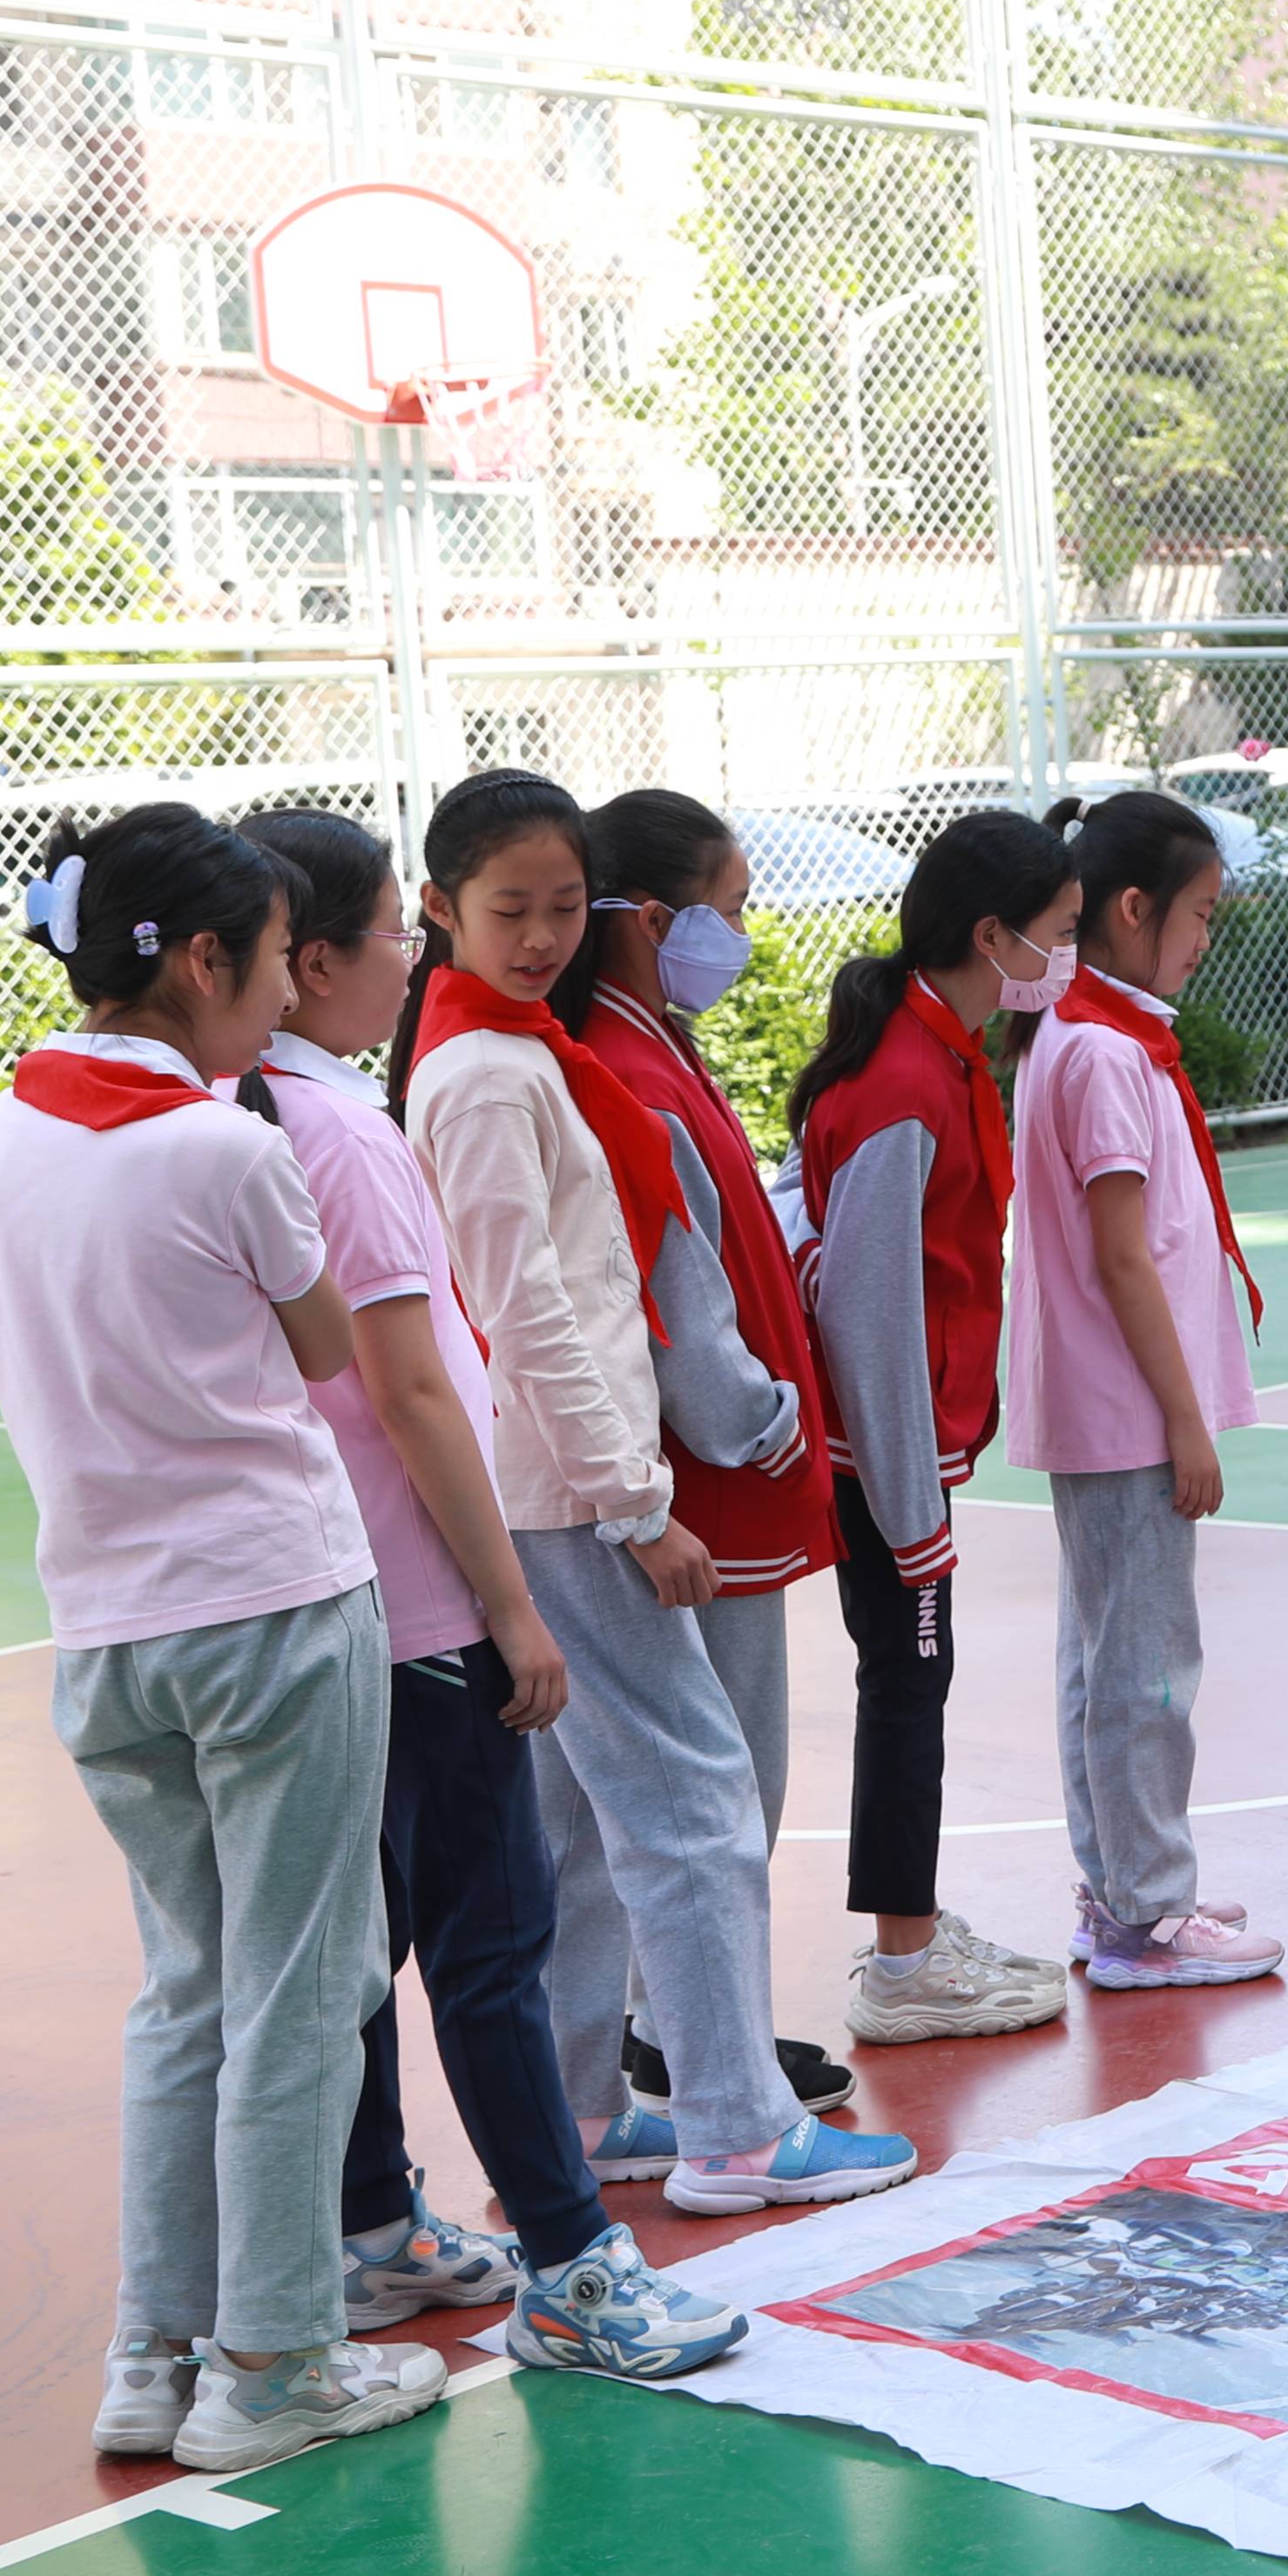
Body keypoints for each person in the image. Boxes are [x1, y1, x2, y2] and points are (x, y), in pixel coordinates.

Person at [0, 803, 452, 2471]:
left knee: (187, 1987)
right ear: (203, 958)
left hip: (106, 1619)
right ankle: (280, 2358)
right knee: (302, 1991)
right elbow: (322, 1341)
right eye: (261, 961)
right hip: (272, 1600)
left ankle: (150, 2353)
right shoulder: (228, 1145)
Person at [238, 807, 742, 2377]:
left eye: (565, 904)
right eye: (410, 928)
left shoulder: (203, 1120)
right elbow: (432, 1375)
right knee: (490, 1925)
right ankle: (571, 2252)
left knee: (367, 1929)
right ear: (303, 960)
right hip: (417, 1575)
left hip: (328, 1581)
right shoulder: (361, 1125)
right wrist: (526, 1587)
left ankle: (370, 2218)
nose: (418, 958)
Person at [396, 769, 913, 2218]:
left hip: (561, 1488)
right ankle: (738, 2125)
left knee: (580, 1815)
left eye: (565, 906)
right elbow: (528, 1309)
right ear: (439, 909)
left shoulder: (507, 1050)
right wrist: (637, 1499)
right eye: (510, 909)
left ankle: (582, 2100)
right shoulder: (493, 1070)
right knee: (693, 1796)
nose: (543, 933)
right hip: (573, 1497)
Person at [565, 788, 860, 2133]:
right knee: (717, 1788)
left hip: (710, 1474)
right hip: (707, 1482)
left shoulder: (650, 1048)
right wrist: (761, 1411)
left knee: (693, 1790)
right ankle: (700, 2052)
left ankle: (679, 2031)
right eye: (728, 912)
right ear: (646, 921)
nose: (740, 937)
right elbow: (669, 1293)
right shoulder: (624, 1072)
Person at [789, 811, 1089, 2041]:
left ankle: (908, 1930)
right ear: (991, 934)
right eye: (1061, 935)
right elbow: (870, 1313)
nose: (1068, 957)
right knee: (909, 1680)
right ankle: (903, 1963)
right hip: (885, 1460)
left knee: (914, 1677)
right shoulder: (907, 1083)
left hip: (906, 1447)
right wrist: (912, 1514)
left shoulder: (942, 1050)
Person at [1003, 789, 1286, 1987]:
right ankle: (1149, 1912)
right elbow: (1124, 1254)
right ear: (1133, 911)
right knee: (1148, 1666)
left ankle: (1122, 1889)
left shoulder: (1083, 1036)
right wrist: (1185, 1419)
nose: (1207, 940)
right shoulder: (1106, 1053)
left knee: (1104, 1660)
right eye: (1201, 917)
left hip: (1105, 1409)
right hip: (1127, 1414)